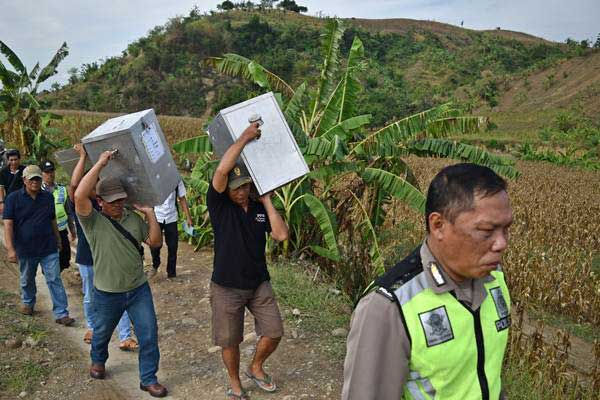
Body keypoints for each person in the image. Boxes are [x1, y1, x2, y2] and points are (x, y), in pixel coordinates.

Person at [342, 163, 514, 400]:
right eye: (486, 231)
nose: (501, 243)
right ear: (438, 225)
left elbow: (487, 377)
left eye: (506, 229)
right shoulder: (389, 307)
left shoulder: (495, 281)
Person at [74, 150, 167, 398]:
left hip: (138, 289)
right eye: (111, 201)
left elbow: (155, 243)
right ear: (100, 201)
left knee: (148, 333)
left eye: (120, 200)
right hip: (106, 292)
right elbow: (79, 194)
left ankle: (148, 379)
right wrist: (101, 163)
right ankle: (98, 359)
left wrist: (150, 214)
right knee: (102, 333)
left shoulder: (133, 219)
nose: (117, 205)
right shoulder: (92, 221)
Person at [207, 122, 289, 400]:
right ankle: (235, 383)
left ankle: (256, 366)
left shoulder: (257, 209)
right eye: (236, 187)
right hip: (227, 286)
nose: (240, 191)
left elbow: (281, 234)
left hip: (258, 283)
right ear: (227, 189)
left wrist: (266, 201)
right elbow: (220, 171)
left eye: (245, 186)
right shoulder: (220, 206)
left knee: (274, 330)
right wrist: (244, 137)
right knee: (230, 340)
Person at [67, 144, 138, 350]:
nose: (91, 187)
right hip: (88, 258)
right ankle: (92, 327)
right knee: (90, 295)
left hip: (110, 259)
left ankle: (125, 336)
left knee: (120, 295)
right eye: (89, 184)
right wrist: (84, 158)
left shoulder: (107, 205)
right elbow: (74, 185)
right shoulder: (81, 207)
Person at [3, 165, 75, 326]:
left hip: (48, 246)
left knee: (54, 278)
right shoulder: (13, 199)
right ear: (24, 180)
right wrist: (10, 249)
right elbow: (8, 224)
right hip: (26, 249)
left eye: (37, 178)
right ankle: (28, 302)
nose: (35, 182)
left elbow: (52, 220)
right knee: (27, 278)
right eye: (32, 179)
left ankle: (61, 313)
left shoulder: (48, 197)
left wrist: (58, 239)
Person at [148, 179, 193, 279]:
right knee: (154, 245)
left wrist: (188, 217)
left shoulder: (176, 179)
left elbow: (182, 198)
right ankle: (155, 264)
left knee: (173, 247)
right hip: (156, 217)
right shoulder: (154, 178)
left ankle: (171, 274)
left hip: (171, 217)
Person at [41, 160, 76, 271]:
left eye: (51, 171)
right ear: (42, 174)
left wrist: (72, 230)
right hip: (46, 233)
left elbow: (68, 211)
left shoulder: (62, 189)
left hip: (61, 231)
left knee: (64, 260)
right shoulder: (38, 191)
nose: (50, 174)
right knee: (50, 263)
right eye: (46, 172)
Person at [0, 149, 26, 215]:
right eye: (11, 160)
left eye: (15, 159)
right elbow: (1, 188)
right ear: (8, 160)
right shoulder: (3, 172)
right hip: (9, 200)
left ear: (19, 159)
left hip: (23, 200)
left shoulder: (25, 170)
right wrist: (2, 203)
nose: (14, 162)